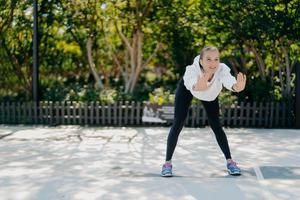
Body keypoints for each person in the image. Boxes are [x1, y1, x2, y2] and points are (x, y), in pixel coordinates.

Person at [161, 46, 246, 177]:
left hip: (209, 95)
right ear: (201, 61)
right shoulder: (191, 70)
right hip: (187, 89)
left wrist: (236, 86)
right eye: (209, 59)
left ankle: (230, 162)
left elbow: (229, 81)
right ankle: (167, 164)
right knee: (178, 122)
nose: (213, 63)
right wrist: (197, 85)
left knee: (216, 125)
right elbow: (191, 83)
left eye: (216, 59)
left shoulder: (222, 69)